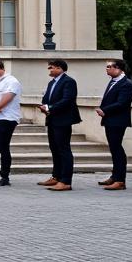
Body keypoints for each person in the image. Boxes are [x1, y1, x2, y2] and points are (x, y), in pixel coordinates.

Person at [39, 59, 81, 191]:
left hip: (63, 120)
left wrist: (50, 107)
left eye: (51, 67)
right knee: (54, 148)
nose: (50, 70)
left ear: (60, 68)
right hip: (52, 119)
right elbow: (47, 98)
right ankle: (56, 176)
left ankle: (66, 181)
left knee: (63, 149)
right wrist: (44, 106)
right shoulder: (52, 82)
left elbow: (67, 100)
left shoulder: (69, 81)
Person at [97, 59, 132, 191]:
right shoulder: (113, 81)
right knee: (114, 149)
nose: (107, 69)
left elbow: (122, 103)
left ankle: (120, 180)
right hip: (110, 120)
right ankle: (114, 176)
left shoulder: (127, 84)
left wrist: (105, 110)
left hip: (118, 121)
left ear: (118, 68)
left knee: (117, 149)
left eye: (109, 67)